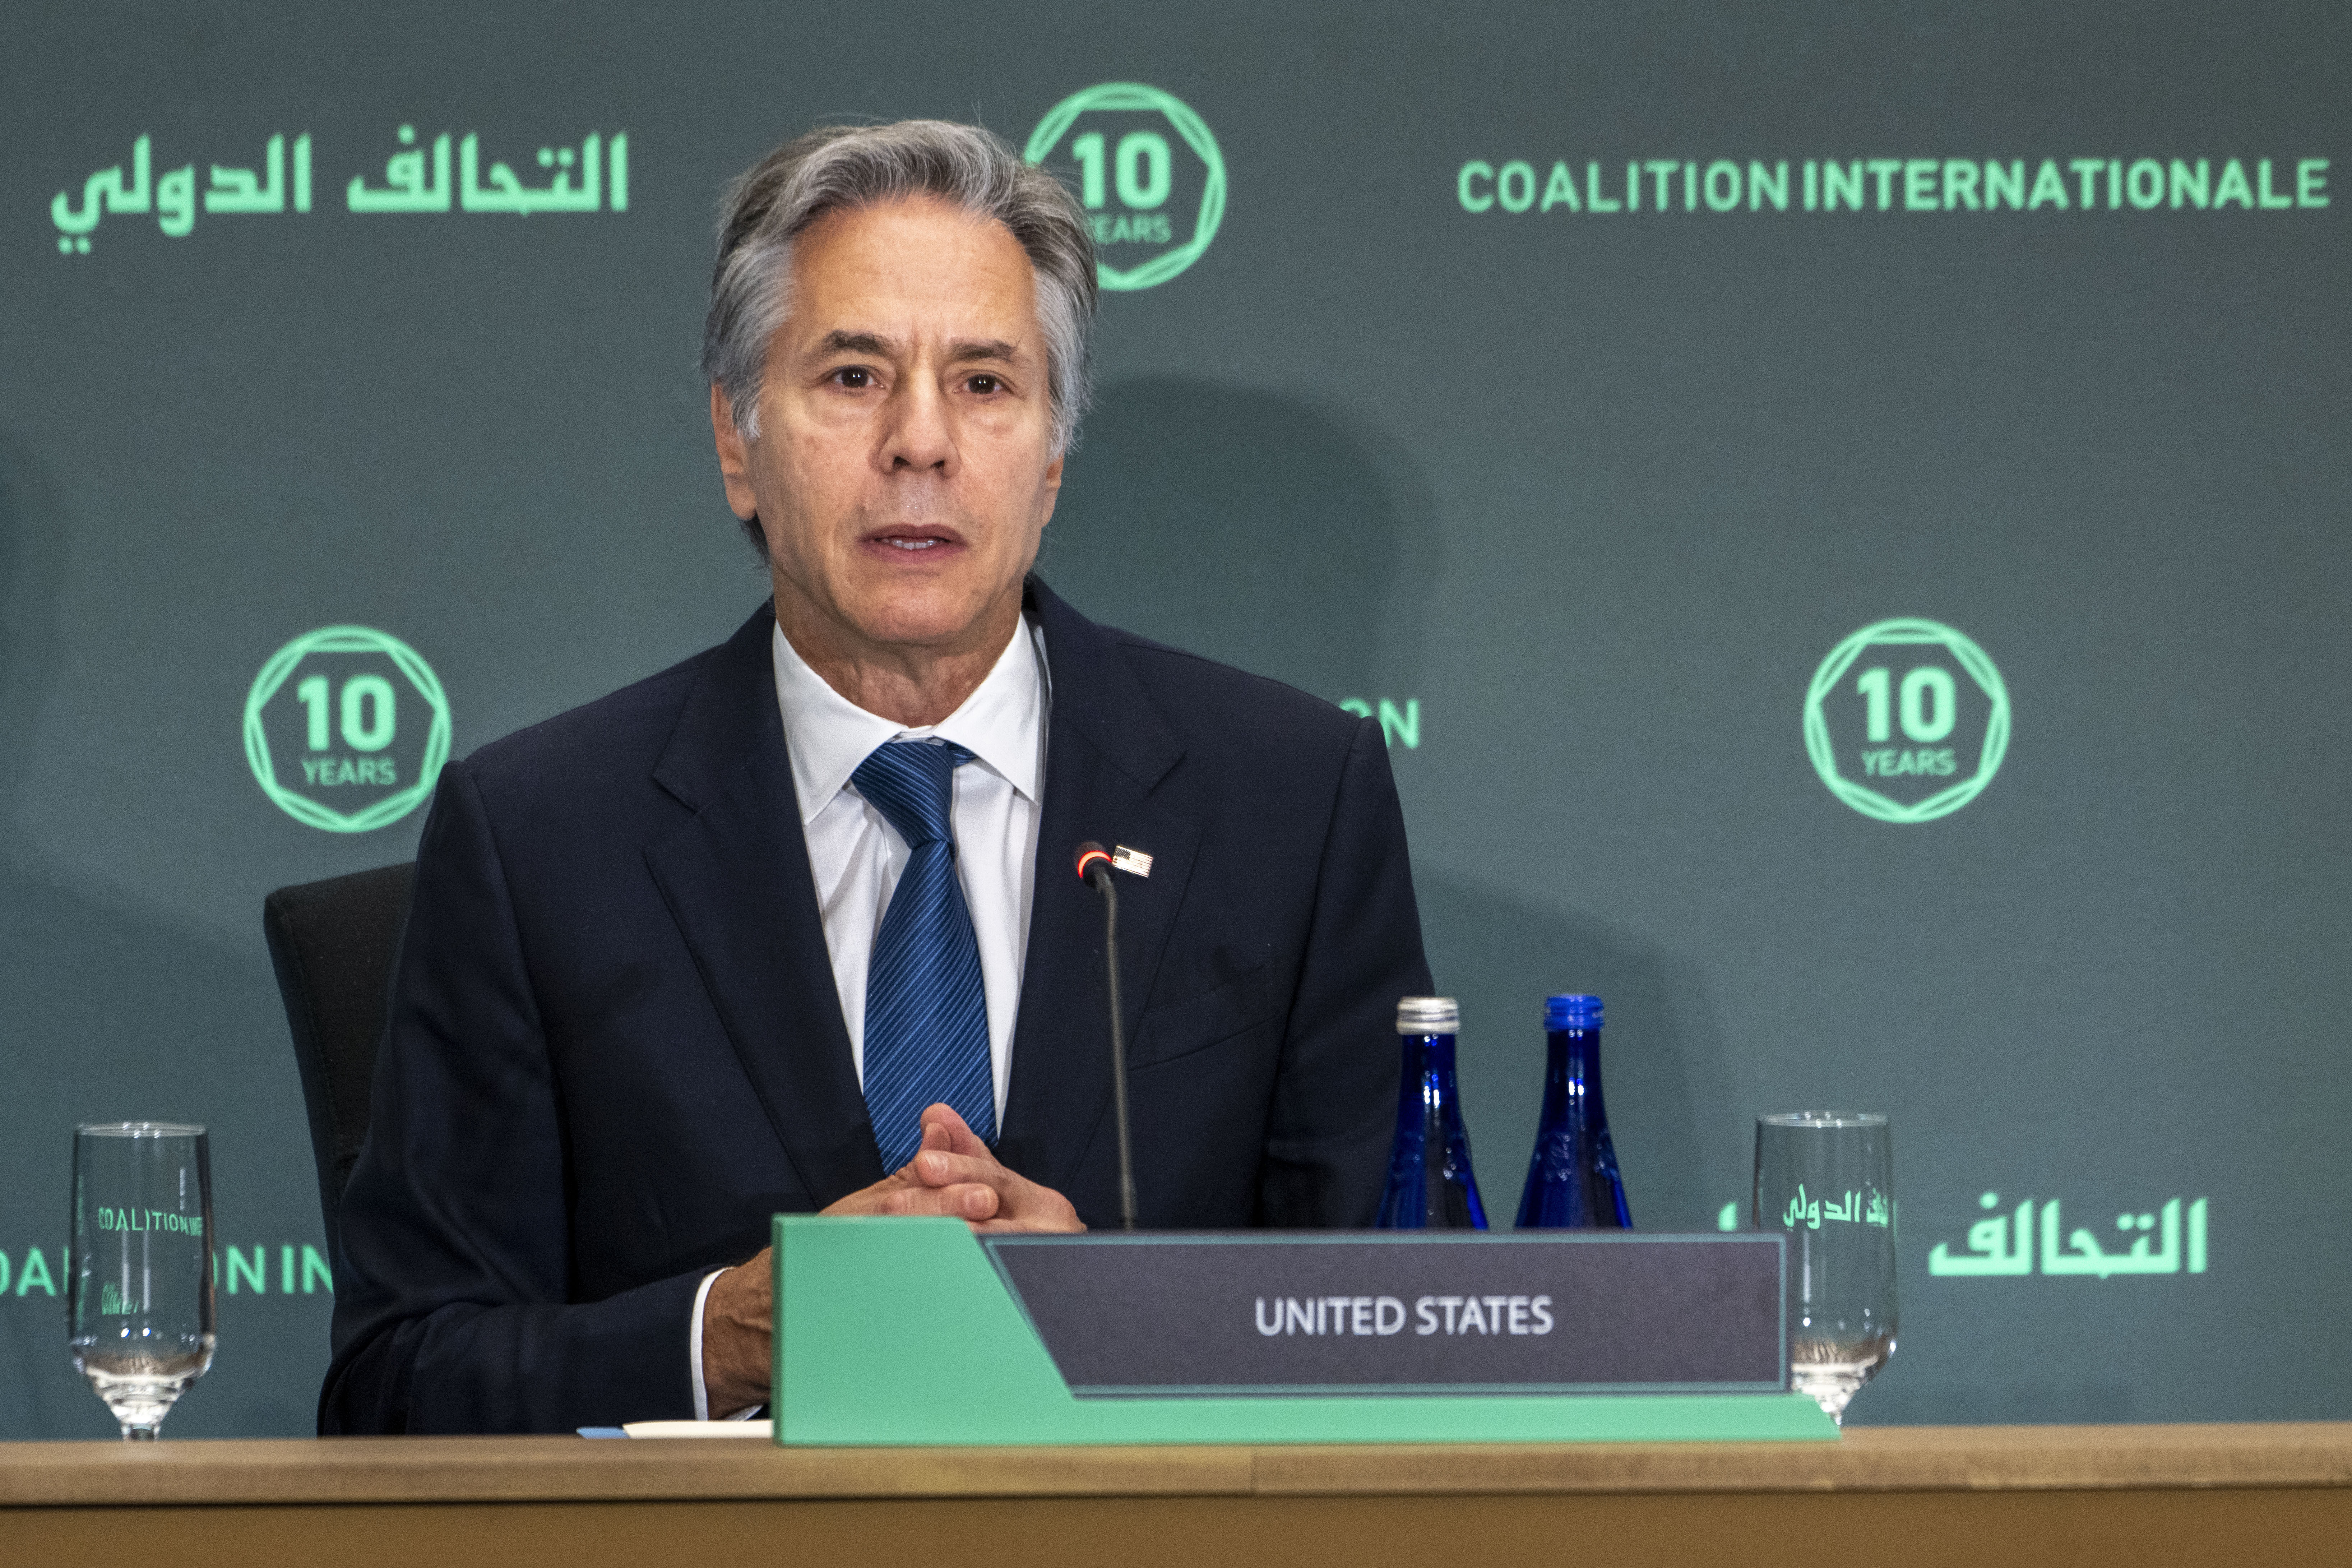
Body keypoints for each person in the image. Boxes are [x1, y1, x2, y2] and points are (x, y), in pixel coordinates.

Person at [322, 120, 1430, 1435]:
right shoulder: (540, 837)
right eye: (852, 377)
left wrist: (1121, 1315)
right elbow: (396, 1385)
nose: (920, 442)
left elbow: (1401, 1330)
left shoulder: (1289, 803)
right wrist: (722, 1334)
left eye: (983, 384)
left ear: (1053, 458)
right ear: (739, 444)